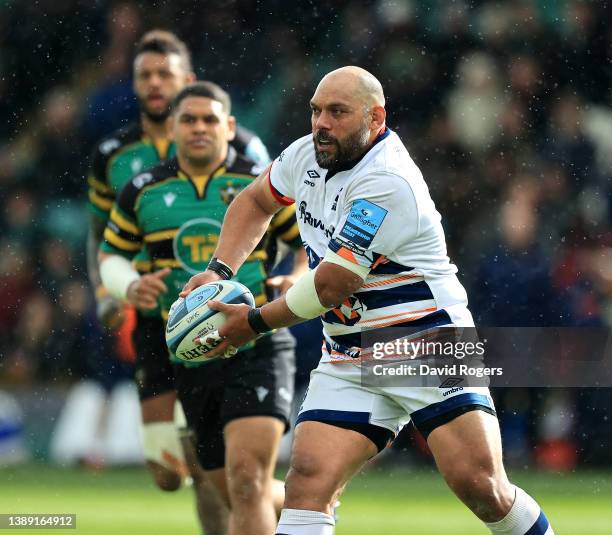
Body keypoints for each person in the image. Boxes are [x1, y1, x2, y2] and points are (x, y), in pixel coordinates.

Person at [181, 66, 556, 535]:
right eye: (316, 111)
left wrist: (253, 322)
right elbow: (256, 200)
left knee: (482, 487)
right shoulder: (306, 155)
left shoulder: (388, 182)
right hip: (349, 351)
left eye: (337, 112)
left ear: (376, 118)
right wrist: (219, 270)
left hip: (425, 343)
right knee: (308, 482)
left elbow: (330, 286)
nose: (321, 123)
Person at [99, 81, 306, 535]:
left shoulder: (259, 182)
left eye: (209, 119)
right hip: (191, 352)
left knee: (247, 481)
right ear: (172, 128)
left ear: (229, 126)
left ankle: (306, 504)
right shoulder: (141, 190)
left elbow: (306, 244)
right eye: (188, 120)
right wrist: (130, 286)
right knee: (229, 488)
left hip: (258, 341)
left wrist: (296, 275)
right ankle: (305, 504)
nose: (199, 128)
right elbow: (110, 253)